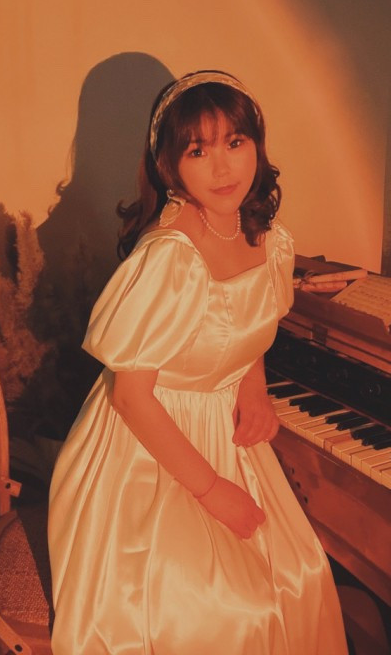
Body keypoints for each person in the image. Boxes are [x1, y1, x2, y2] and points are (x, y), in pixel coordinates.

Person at [47, 70, 348, 654]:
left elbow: (242, 329)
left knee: (303, 573)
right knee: (232, 613)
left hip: (221, 432)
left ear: (257, 145)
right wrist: (213, 492)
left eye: (235, 142)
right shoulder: (168, 257)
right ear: (169, 166)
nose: (223, 167)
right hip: (143, 450)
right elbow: (130, 397)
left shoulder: (268, 239)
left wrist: (253, 386)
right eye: (198, 150)